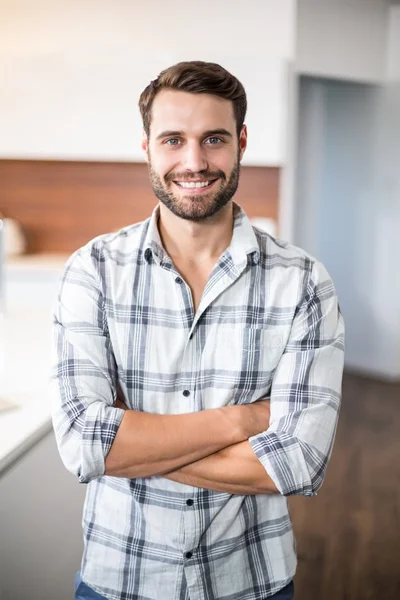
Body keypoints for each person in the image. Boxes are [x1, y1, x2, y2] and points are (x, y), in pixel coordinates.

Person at [50, 61, 345, 600]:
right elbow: (83, 446)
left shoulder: (303, 282)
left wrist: (135, 442)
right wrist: (245, 419)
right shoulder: (92, 270)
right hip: (119, 576)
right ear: (147, 147)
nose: (193, 161)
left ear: (241, 142)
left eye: (213, 138)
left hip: (252, 580)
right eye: (173, 140)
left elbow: (299, 460)